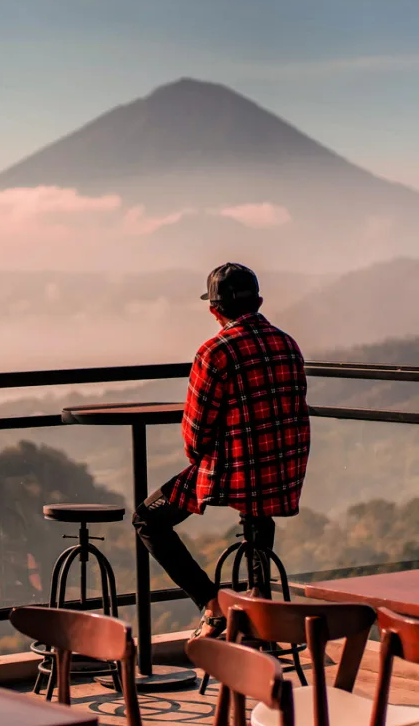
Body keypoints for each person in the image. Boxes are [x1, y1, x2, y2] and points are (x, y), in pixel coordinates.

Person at [132, 262, 310, 640]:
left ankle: (212, 606)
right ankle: (260, 606)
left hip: (237, 470)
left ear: (214, 310)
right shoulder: (288, 343)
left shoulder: (215, 351)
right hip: (283, 469)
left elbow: (196, 434)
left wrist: (204, 458)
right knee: (258, 508)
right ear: (259, 301)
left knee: (148, 520)